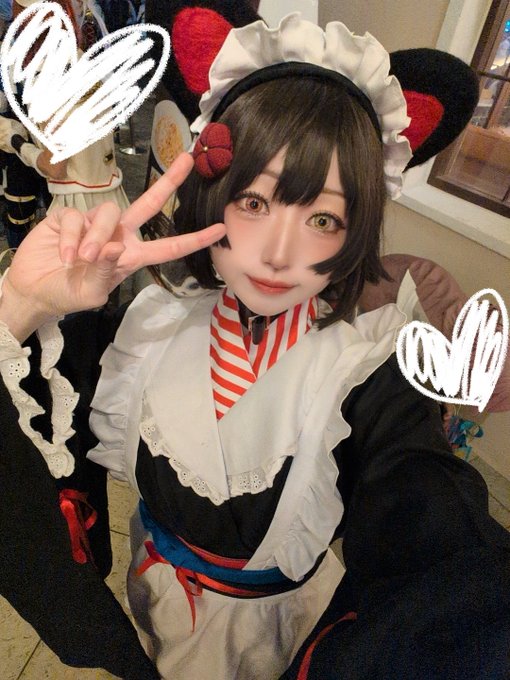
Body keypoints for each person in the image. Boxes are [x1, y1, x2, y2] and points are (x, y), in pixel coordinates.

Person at [0, 13, 509, 680]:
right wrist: (22, 303)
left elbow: (431, 521)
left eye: (322, 217)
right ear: (212, 195)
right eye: (253, 203)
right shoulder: (146, 323)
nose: (278, 252)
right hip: (154, 592)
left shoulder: (368, 373)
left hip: (277, 630)